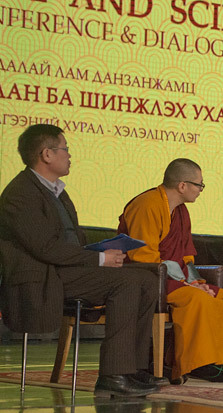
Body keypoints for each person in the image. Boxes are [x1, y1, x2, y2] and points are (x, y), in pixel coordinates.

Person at [0, 124, 162, 397]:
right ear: (47, 154)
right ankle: (113, 375)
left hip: (68, 269)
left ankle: (132, 368)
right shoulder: (20, 193)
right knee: (127, 283)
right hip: (45, 275)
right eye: (65, 149)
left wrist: (100, 252)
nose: (69, 155)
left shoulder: (57, 192)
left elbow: (68, 241)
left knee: (147, 277)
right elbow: (44, 248)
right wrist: (99, 258)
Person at [117, 158, 223, 383]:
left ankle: (214, 360)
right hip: (148, 275)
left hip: (173, 277)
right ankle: (193, 363)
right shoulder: (148, 205)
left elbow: (186, 257)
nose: (201, 190)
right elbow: (143, 256)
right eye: (199, 185)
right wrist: (189, 286)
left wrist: (197, 282)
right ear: (182, 186)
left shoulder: (181, 212)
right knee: (195, 299)